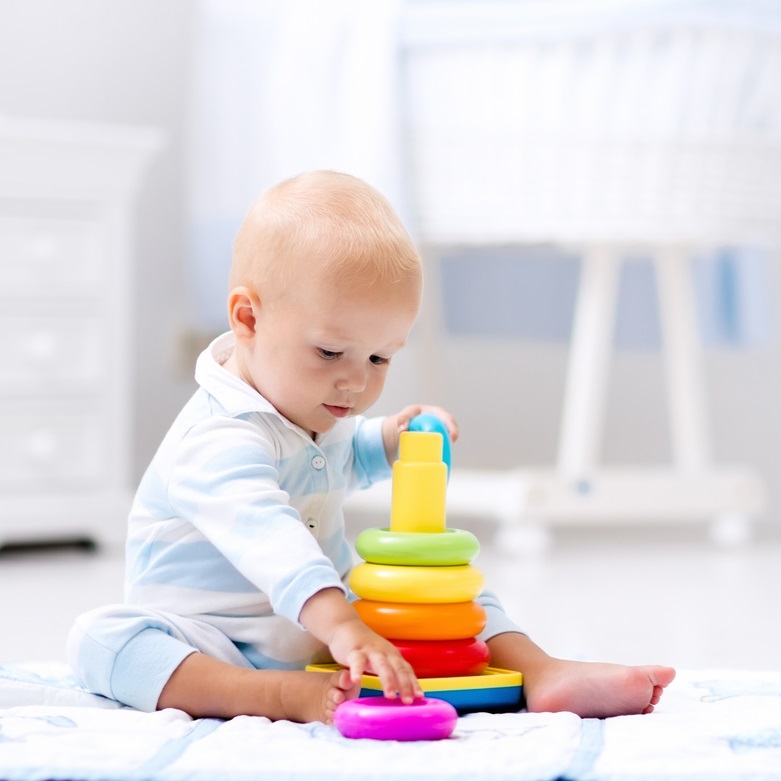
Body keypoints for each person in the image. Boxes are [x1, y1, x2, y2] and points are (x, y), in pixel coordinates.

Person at [68, 171, 675, 725]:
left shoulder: (305, 403)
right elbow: (268, 534)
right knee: (104, 640)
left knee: (450, 592)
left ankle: (541, 671)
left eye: (380, 357)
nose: (356, 382)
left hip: (324, 629)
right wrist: (341, 624)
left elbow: (337, 454)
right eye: (331, 353)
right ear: (248, 320)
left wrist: (392, 438)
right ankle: (270, 697)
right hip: (211, 639)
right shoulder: (216, 438)